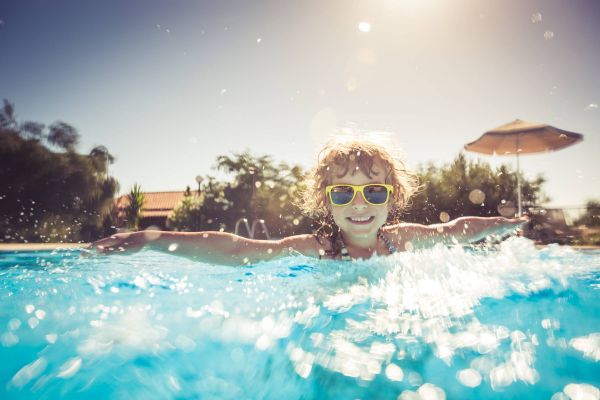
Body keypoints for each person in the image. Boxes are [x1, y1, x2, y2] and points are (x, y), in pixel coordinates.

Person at [91, 140, 526, 265]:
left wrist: (506, 223)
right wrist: (153, 235)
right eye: (344, 192)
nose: (360, 203)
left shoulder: (402, 240)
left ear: (392, 199)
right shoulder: (315, 248)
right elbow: (240, 249)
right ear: (327, 202)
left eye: (374, 191)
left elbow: (455, 231)